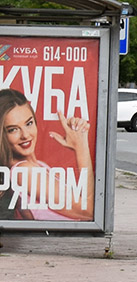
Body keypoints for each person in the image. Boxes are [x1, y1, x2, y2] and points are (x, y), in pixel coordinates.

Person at [0, 88, 95, 221]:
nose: (25, 135)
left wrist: (81, 138)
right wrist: (81, 147)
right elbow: (90, 211)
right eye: (13, 130)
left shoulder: (39, 165)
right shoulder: (25, 171)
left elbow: (86, 200)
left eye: (29, 123)